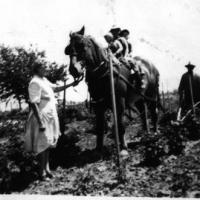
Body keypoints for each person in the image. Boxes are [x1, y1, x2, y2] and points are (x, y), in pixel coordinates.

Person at [25, 63, 78, 180]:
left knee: (48, 144)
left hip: (50, 116)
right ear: (37, 69)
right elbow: (33, 103)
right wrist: (40, 122)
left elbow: (55, 88)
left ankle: (47, 169)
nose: (46, 70)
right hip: (42, 116)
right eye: (43, 68)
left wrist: (71, 84)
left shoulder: (43, 80)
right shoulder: (34, 82)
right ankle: (41, 173)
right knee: (43, 144)